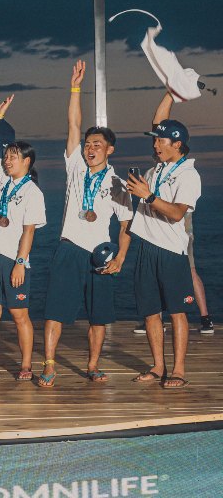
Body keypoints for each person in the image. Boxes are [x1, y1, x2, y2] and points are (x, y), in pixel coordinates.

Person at [38, 61, 133, 388]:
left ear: (110, 150)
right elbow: (73, 125)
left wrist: (120, 258)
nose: (91, 149)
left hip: (100, 255)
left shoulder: (119, 184)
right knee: (55, 311)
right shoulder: (76, 168)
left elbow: (125, 225)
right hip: (68, 249)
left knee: (99, 315)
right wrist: (75, 88)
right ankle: (49, 364)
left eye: (98, 145)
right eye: (88, 145)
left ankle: (92, 365)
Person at [127, 94, 202, 389]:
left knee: (177, 311)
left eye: (160, 141)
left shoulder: (188, 174)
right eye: (155, 140)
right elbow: (159, 122)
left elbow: (176, 214)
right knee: (149, 312)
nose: (155, 144)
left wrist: (148, 196)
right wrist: (169, 93)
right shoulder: (155, 170)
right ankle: (158, 367)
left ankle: (179, 369)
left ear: (177, 145)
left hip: (171, 252)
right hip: (146, 247)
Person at [0, 95, 46, 382]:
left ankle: (25, 365)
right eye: (6, 156)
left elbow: (28, 231)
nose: (7, 160)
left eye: (13, 156)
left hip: (14, 259)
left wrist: (20, 262)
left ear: (27, 160)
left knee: (20, 315)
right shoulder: (0, 177)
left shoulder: (33, 192)